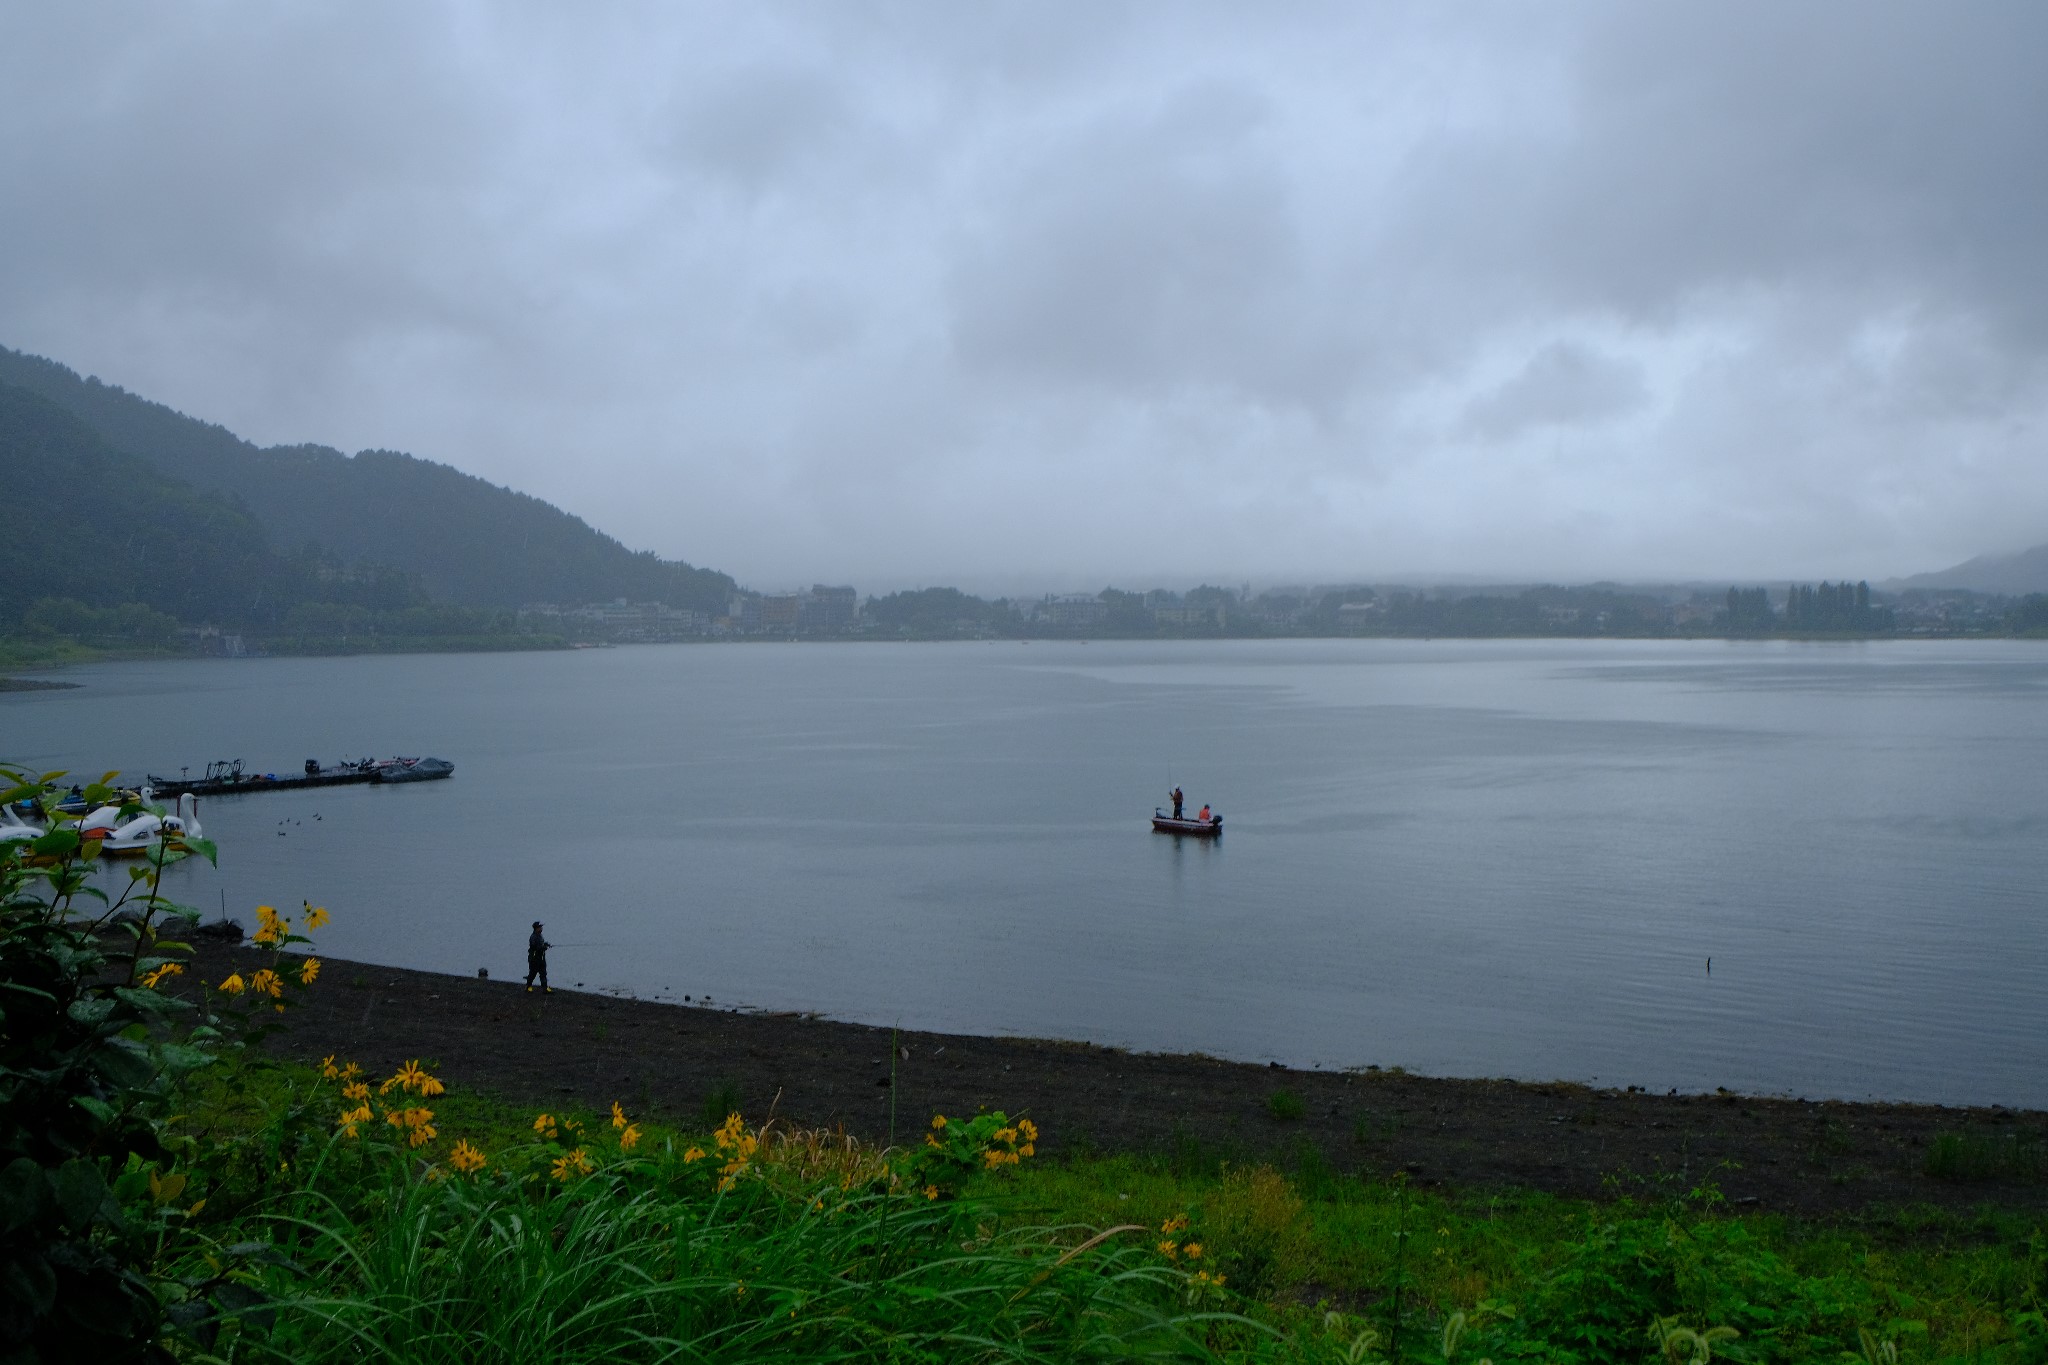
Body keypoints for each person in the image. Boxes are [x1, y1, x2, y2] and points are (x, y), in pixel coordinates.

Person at [525, 920, 552, 993]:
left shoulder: (540, 936)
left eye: (541, 927)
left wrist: (546, 945)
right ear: (536, 928)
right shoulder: (533, 937)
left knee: (543, 973)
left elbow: (541, 945)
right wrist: (543, 947)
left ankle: (545, 989)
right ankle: (528, 987)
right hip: (534, 959)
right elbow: (534, 947)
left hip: (541, 958)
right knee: (532, 974)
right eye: (540, 927)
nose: (541, 928)